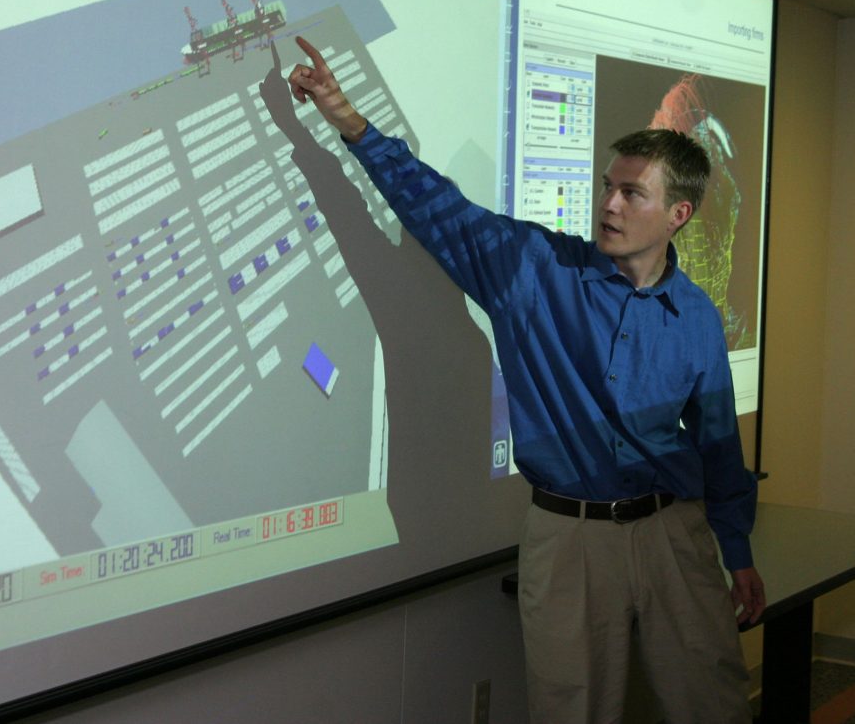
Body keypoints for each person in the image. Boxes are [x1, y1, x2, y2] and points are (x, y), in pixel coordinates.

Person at [286, 36, 766, 724]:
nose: (610, 204)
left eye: (633, 193)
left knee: (713, 702)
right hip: (571, 537)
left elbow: (719, 443)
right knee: (571, 711)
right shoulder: (534, 270)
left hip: (673, 533)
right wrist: (349, 122)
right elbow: (435, 205)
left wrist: (738, 550)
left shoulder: (694, 314)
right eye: (608, 186)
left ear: (678, 215)